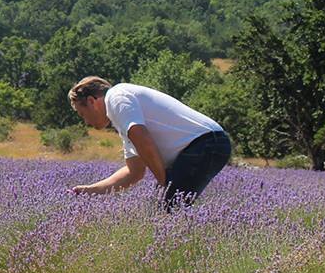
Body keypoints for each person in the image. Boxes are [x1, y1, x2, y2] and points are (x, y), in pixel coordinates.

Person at [68, 76, 231, 205]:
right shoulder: (122, 119)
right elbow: (134, 172)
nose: (86, 122)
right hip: (207, 145)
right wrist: (89, 191)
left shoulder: (117, 98)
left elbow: (142, 139)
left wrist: (164, 182)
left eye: (83, 114)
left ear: (91, 101)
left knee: (171, 209)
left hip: (206, 143)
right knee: (169, 209)